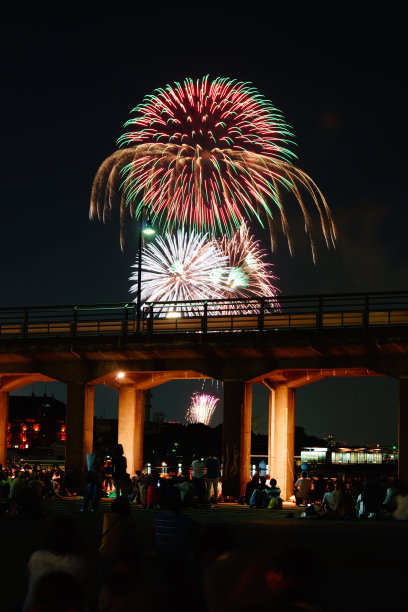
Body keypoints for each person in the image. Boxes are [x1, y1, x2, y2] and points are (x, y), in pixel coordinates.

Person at [99, 496, 136, 560]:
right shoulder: (127, 518)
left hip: (103, 552)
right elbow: (133, 531)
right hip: (119, 554)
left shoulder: (106, 516)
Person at [81, 446, 104, 512]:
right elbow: (101, 468)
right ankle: (93, 507)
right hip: (96, 476)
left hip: (89, 476)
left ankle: (83, 507)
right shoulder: (98, 458)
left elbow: (85, 467)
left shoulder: (88, 457)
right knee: (96, 493)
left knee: (88, 492)